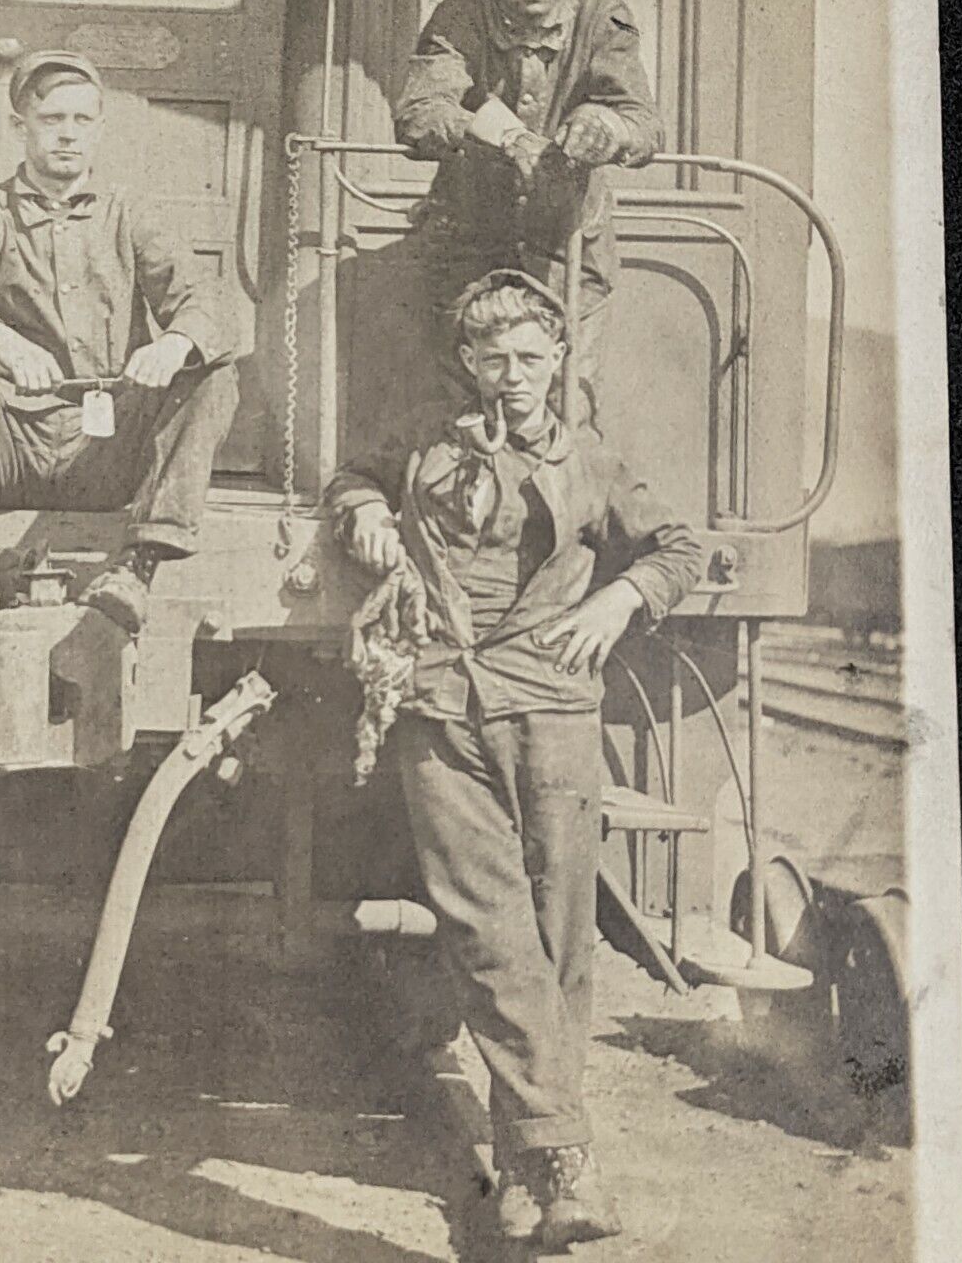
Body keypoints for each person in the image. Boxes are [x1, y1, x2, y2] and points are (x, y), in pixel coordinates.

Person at [328, 270, 700, 1247]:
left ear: (559, 360)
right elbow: (352, 476)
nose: (513, 376)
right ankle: (568, 1154)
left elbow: (678, 549)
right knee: (492, 930)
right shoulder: (426, 441)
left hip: (552, 705)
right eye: (493, 358)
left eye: (531, 357)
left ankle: (532, 1176)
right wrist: (364, 512)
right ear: (467, 363)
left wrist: (619, 601)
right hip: (441, 701)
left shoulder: (594, 462)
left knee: (557, 937)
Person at [0, 51, 238, 632]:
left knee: (212, 368)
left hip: (106, 449)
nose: (67, 135)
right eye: (51, 119)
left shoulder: (131, 213)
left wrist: (172, 344)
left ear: (98, 129)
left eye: (82, 121)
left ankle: (137, 565)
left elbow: (205, 299)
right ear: (19, 127)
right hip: (10, 447)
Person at [394, 0, 663, 416]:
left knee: (569, 406)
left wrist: (605, 125)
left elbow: (644, 125)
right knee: (464, 406)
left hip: (570, 246)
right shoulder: (457, 17)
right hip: (467, 243)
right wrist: (504, 135)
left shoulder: (607, 17)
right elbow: (418, 115)